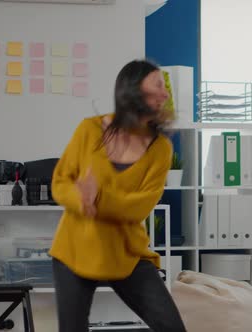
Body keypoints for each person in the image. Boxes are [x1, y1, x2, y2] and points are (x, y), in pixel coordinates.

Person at [49, 59, 186, 332]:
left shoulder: (160, 149)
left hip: (126, 253)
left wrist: (97, 199)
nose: (165, 94)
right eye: (158, 85)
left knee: (172, 328)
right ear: (133, 90)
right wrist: (81, 200)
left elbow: (139, 207)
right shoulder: (89, 130)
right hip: (75, 249)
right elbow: (61, 183)